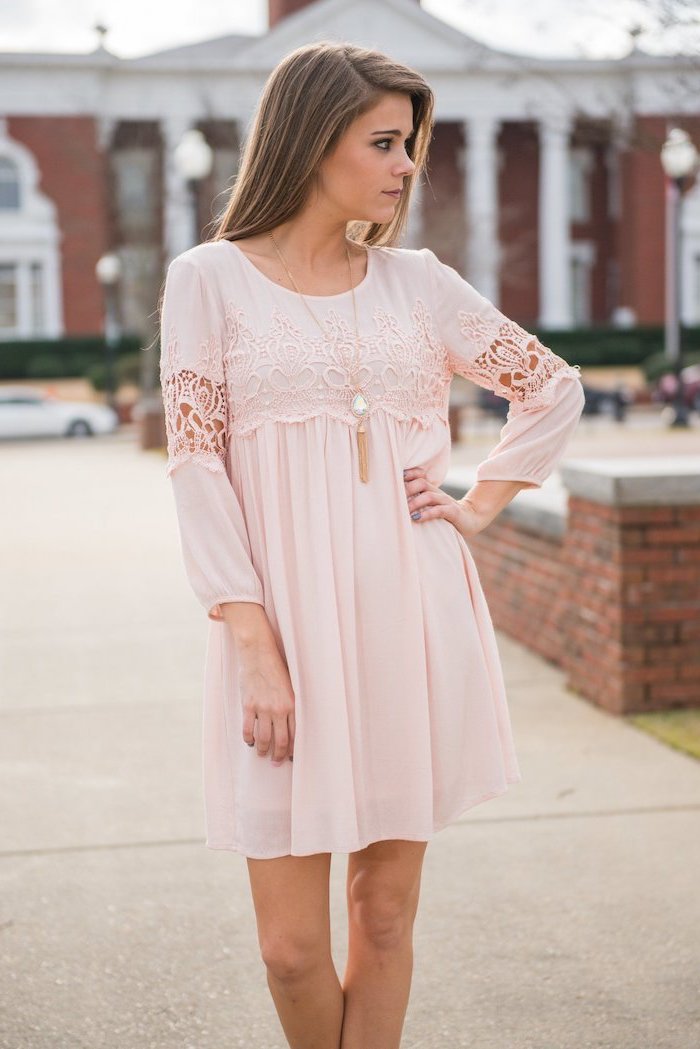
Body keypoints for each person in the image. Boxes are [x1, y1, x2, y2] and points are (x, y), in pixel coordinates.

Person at [158, 40, 585, 1049]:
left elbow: (550, 386)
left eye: (412, 145)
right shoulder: (208, 280)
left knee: (384, 911)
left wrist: (479, 503)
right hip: (281, 634)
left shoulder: (420, 283)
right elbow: (196, 467)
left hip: (411, 614)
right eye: (384, 142)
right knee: (291, 948)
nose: (404, 167)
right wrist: (254, 643)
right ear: (311, 140)